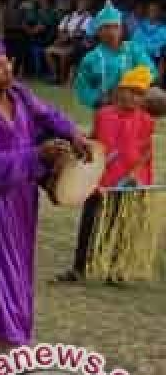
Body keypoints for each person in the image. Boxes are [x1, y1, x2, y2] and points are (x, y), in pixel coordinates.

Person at [0, 41, 88, 354]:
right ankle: (11, 337)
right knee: (3, 265)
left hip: (24, 197)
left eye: (7, 63)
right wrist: (35, 155)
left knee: (19, 263)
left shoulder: (20, 95)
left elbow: (50, 116)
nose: (7, 70)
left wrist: (73, 133)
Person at [56, 66, 156, 284]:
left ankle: (116, 270)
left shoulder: (147, 121)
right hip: (99, 181)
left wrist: (137, 177)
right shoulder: (103, 115)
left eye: (140, 94)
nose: (134, 97)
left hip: (127, 184)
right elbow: (93, 142)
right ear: (120, 91)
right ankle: (79, 268)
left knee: (121, 227)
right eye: (131, 91)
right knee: (90, 224)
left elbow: (146, 152)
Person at [73, 0, 157, 111]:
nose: (111, 32)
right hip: (106, 107)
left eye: (115, 27)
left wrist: (131, 86)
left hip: (134, 105)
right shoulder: (91, 58)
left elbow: (150, 71)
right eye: (106, 27)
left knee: (158, 96)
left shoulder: (134, 50)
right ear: (98, 31)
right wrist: (97, 99)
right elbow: (82, 86)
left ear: (121, 29)